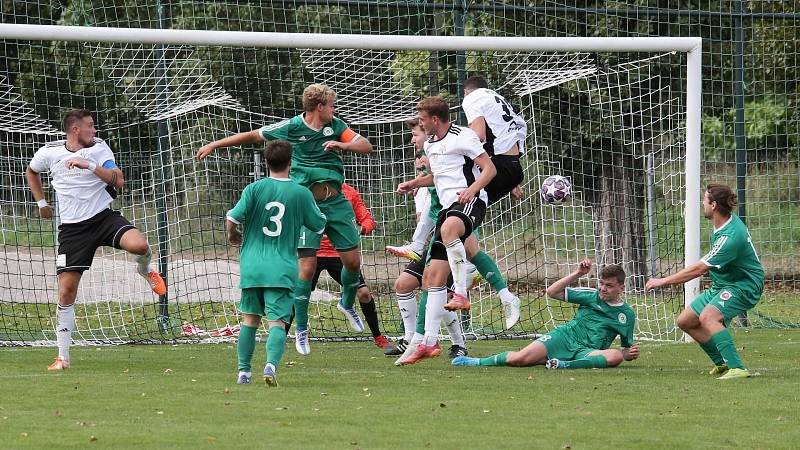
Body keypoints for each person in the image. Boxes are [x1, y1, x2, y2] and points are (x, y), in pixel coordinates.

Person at [198, 84, 373, 337]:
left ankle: (346, 302)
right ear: (320, 106)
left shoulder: (336, 126)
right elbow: (253, 135)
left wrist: (342, 145)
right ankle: (301, 327)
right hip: (305, 205)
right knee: (306, 267)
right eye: (332, 105)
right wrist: (215, 144)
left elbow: (366, 145)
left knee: (353, 263)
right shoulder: (291, 127)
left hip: (336, 203)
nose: (335, 109)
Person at [25, 109, 166, 371]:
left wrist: (89, 165)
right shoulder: (49, 153)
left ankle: (145, 270)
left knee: (140, 246)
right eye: (90, 126)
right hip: (72, 230)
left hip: (103, 218)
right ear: (75, 130)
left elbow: (119, 180)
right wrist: (42, 203)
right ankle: (62, 357)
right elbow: (31, 171)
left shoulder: (99, 149)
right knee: (66, 291)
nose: (95, 130)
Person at [396, 96, 496, 364]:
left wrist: (472, 190)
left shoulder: (462, 136)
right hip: (446, 210)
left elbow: (489, 168)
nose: (420, 123)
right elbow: (438, 177)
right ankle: (428, 342)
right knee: (432, 277)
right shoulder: (429, 144)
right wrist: (415, 182)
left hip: (469, 202)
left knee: (451, 229)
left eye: (422, 119)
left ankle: (462, 291)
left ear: (434, 119)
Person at [226, 140, 326, 386]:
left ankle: (243, 372)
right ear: (291, 163)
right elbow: (319, 225)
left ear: (266, 162)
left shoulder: (254, 189)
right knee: (277, 322)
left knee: (250, 319)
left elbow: (232, 217)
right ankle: (270, 366)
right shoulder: (300, 193)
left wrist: (232, 234)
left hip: (252, 266)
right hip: (281, 268)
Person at [645, 184, 764, 380]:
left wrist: (663, 281)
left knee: (709, 317)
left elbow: (699, 269)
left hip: (744, 286)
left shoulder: (730, 237)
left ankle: (737, 368)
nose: (702, 204)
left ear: (714, 205)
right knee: (686, 321)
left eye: (704, 200)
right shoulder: (725, 224)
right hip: (725, 284)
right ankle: (723, 363)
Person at [452, 259, 640, 369]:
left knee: (615, 357)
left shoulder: (626, 315)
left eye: (609, 286)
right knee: (521, 359)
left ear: (621, 288)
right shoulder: (591, 296)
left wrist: (629, 353)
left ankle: (563, 365)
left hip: (588, 351)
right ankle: (476, 362)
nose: (603, 289)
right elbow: (552, 292)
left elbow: (627, 351)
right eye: (601, 284)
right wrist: (577, 273)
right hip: (565, 337)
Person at [290, 182, 390, 354]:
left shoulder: (349, 193)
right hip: (313, 253)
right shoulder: (308, 190)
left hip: (339, 255)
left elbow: (367, 219)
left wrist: (362, 228)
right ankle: (283, 335)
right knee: (298, 295)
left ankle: (379, 338)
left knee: (364, 293)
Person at [462, 74, 527, 204]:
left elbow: (478, 136)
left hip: (498, 166)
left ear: (465, 92)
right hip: (515, 168)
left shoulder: (472, 98)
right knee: (471, 209)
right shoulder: (497, 98)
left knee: (459, 202)